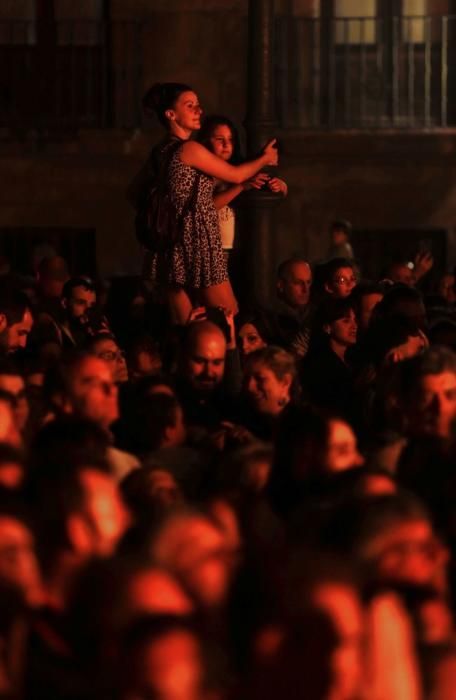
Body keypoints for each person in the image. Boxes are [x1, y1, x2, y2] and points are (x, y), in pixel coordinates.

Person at [141, 82, 278, 324]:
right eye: (189, 105)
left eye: (198, 105)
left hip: (172, 246)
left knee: (186, 328)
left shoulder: (160, 151)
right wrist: (265, 158)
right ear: (171, 115)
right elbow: (236, 174)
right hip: (199, 245)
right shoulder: (188, 149)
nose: (198, 110)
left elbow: (135, 193)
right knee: (228, 319)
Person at [197, 114, 287, 272]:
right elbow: (207, 205)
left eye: (230, 140)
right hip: (211, 248)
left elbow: (280, 188)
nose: (226, 144)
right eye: (219, 139)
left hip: (239, 246)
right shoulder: (202, 173)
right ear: (206, 141)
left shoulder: (241, 168)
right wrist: (241, 186)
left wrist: (279, 186)